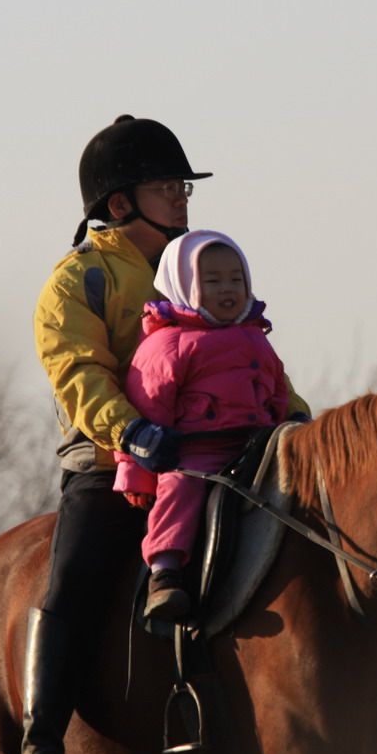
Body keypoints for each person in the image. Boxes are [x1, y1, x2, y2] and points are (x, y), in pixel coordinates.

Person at [17, 115, 310, 754]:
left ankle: (365, 718)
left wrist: (299, 423)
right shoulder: (77, 280)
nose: (183, 198)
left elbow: (250, 356)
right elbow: (76, 370)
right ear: (120, 204)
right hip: (119, 459)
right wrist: (132, 431)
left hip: (233, 452)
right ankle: (40, 745)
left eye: (183, 186)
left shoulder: (202, 260)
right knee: (74, 580)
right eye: (166, 186)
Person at [111, 230, 291, 620]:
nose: (227, 289)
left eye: (236, 280)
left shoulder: (256, 338)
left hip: (257, 447)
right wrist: (138, 477)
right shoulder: (168, 344)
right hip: (197, 453)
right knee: (181, 491)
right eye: (212, 281)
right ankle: (165, 572)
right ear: (184, 283)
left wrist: (295, 426)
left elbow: (277, 391)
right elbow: (147, 407)